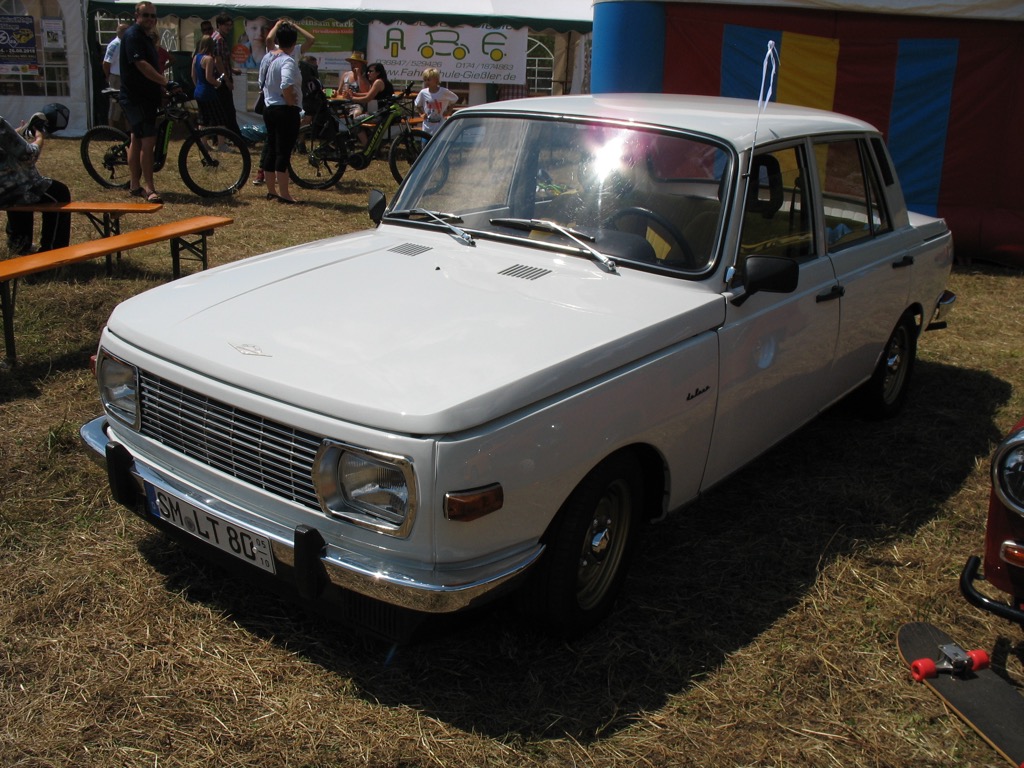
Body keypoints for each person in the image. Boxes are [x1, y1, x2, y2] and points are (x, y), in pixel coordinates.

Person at [119, 1, 172, 203]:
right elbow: (141, 65)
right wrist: (165, 82)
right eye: (146, 15)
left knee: (137, 139)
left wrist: (161, 88)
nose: (150, 19)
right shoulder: (133, 36)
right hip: (136, 97)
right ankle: (149, 188)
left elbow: (152, 67)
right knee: (147, 142)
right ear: (137, 16)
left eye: (153, 16)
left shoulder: (146, 37)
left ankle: (134, 184)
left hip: (146, 96)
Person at [1, 113, 71, 255]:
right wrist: (39, 137)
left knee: (19, 192)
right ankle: (52, 251)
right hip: (9, 191)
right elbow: (28, 154)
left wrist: (16, 134)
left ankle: (19, 245)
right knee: (59, 193)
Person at [259, 23, 300, 204]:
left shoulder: (268, 57)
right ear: (294, 43)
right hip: (284, 109)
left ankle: (271, 190)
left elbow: (261, 80)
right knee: (283, 151)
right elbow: (286, 84)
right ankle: (284, 193)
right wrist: (291, 101)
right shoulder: (287, 60)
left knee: (271, 148)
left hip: (268, 107)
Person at [211, 13, 242, 137]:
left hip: (222, 77)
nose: (229, 28)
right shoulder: (219, 39)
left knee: (223, 110)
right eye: (226, 25)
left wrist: (232, 70)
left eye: (230, 25)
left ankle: (222, 136)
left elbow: (222, 60)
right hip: (221, 80)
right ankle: (234, 136)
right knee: (228, 110)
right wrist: (227, 79)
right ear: (219, 25)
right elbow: (217, 60)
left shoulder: (217, 37)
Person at [414, 67, 458, 137]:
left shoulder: (444, 92)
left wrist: (448, 111)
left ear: (436, 80)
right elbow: (417, 104)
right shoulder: (423, 92)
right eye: (425, 80)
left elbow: (454, 99)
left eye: (429, 80)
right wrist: (421, 113)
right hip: (426, 128)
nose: (427, 82)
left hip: (440, 128)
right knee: (425, 146)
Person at [192, 36, 223, 130]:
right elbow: (209, 77)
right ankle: (221, 143)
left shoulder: (196, 57)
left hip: (198, 91)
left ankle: (203, 143)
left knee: (202, 118)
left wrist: (197, 86)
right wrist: (217, 83)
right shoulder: (208, 59)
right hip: (208, 92)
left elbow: (193, 75)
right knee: (219, 118)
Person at [102, 23, 130, 128]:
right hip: (116, 77)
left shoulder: (126, 43)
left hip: (125, 78)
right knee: (114, 104)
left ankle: (128, 130)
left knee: (127, 104)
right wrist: (108, 76)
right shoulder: (115, 44)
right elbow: (106, 63)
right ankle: (111, 129)